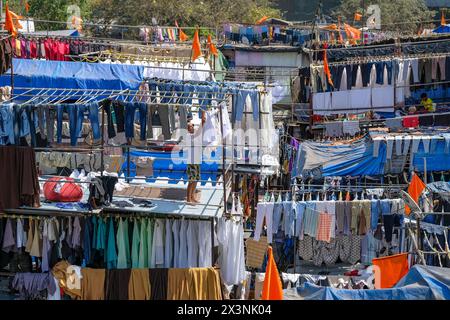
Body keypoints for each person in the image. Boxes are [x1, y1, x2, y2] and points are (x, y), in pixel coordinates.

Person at [186, 111, 205, 205]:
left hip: (197, 160)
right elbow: (202, 126)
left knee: (196, 179)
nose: (192, 127)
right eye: (190, 126)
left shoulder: (194, 135)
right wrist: (203, 115)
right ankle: (188, 199)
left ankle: (192, 196)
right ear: (188, 129)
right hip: (192, 161)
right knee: (191, 180)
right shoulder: (189, 136)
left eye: (192, 126)